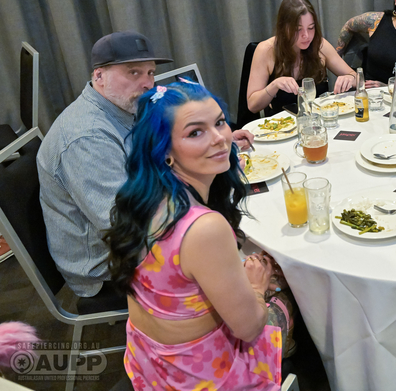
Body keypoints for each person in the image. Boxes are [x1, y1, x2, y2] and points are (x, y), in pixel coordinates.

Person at [104, 82, 291, 390]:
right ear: (164, 149)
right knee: (289, 290)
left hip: (149, 360)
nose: (219, 138)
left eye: (220, 122)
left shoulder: (142, 197)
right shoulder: (204, 228)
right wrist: (257, 289)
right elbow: (248, 329)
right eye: (195, 132)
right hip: (199, 376)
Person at [38, 31, 252, 299]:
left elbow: (153, 161)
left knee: (232, 230)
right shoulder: (86, 138)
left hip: (144, 227)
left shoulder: (122, 108)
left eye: (150, 73)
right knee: (246, 265)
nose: (147, 83)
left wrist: (215, 144)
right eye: (133, 73)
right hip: (108, 266)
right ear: (99, 76)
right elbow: (124, 223)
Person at [247, 0, 357, 115]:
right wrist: (274, 86)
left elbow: (356, 78)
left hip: (319, 121)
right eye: (298, 29)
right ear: (283, 28)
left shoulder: (320, 45)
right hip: (284, 123)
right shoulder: (266, 50)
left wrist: (350, 78)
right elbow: (252, 105)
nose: (306, 35)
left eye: (311, 28)